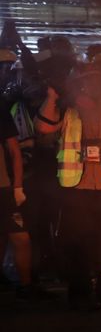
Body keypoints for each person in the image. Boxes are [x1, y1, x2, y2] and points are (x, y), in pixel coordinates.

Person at [34, 67, 101, 308]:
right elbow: (43, 128)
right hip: (77, 191)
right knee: (76, 245)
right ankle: (80, 296)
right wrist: (52, 97)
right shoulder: (68, 112)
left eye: (94, 81)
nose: (89, 87)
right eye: (84, 83)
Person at [0, 100, 34, 298]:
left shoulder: (1, 111)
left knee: (20, 237)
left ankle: (26, 286)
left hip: (3, 188)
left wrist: (18, 186)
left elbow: (15, 152)